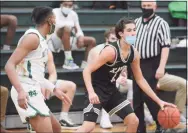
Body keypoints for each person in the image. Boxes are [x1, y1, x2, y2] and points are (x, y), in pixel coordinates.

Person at [76, 17, 175, 133]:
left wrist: (159, 101)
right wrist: (91, 92)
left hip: (111, 91)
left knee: (134, 121)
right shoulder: (111, 51)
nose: (133, 33)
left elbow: (140, 79)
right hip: (96, 90)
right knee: (89, 126)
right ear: (121, 33)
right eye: (129, 30)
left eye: (134, 30)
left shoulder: (134, 53)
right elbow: (86, 70)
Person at [5, 6, 73, 133]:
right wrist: (20, 91)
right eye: (55, 19)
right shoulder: (32, 38)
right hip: (26, 90)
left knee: (56, 128)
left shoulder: (42, 40)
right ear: (50, 20)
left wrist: (54, 89)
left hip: (34, 88)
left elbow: (36, 75)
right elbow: (9, 65)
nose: (56, 22)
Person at [133, 0, 171, 132]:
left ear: (155, 7)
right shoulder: (136, 22)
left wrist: (161, 67)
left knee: (149, 96)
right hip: (136, 63)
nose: (146, 8)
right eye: (143, 6)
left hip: (152, 62)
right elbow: (131, 42)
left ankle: (160, 124)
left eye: (149, 6)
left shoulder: (161, 23)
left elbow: (165, 46)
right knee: (136, 98)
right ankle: (140, 128)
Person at [47, 0, 96, 70]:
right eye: (65, 5)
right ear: (61, 5)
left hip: (67, 40)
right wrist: (69, 27)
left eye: (70, 5)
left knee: (92, 41)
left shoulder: (73, 14)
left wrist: (80, 37)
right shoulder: (54, 12)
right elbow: (53, 28)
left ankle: (85, 65)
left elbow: (78, 29)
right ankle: (68, 60)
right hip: (54, 41)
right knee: (66, 29)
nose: (67, 7)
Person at [87, 27, 117, 129]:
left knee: (133, 85)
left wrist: (122, 75)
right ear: (106, 39)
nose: (115, 42)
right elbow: (97, 72)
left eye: (117, 39)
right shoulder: (97, 51)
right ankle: (105, 117)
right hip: (96, 84)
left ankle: (141, 115)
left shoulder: (119, 51)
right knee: (89, 126)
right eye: (113, 39)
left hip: (112, 82)